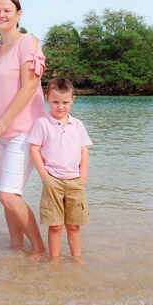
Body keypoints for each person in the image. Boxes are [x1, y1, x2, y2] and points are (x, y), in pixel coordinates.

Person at [0, 0, 47, 254]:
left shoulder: (27, 42)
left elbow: (30, 86)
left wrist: (1, 123)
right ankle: (16, 249)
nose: (1, 15)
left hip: (25, 130)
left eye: (7, 10)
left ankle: (39, 249)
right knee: (8, 197)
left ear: (19, 15)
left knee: (7, 195)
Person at [28, 77, 92, 264]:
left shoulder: (77, 124)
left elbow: (84, 151)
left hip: (75, 181)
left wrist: (82, 178)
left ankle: (77, 260)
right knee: (55, 226)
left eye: (65, 102)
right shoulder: (42, 123)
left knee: (73, 226)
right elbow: (34, 149)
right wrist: (44, 176)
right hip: (52, 180)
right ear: (47, 98)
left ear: (72, 100)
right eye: (55, 102)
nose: (60, 107)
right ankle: (54, 261)